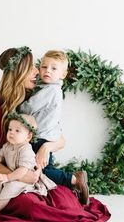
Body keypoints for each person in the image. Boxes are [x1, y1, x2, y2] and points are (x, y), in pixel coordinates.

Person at [0, 46, 110, 222]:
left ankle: (68, 187)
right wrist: (21, 175)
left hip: (33, 170)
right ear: (19, 72)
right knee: (32, 206)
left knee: (65, 202)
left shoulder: (36, 99)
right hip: (3, 175)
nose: (38, 71)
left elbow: (60, 141)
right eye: (32, 68)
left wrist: (45, 148)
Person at [19, 50, 89, 204]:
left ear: (63, 74)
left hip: (41, 138)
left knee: (43, 169)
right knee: (40, 168)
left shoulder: (51, 90)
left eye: (53, 68)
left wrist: (18, 107)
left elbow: (29, 108)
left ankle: (75, 180)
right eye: (44, 67)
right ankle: (72, 188)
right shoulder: (47, 88)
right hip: (44, 135)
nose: (47, 71)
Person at [0, 112, 56, 214]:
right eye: (10, 129)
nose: (12, 133)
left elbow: (22, 171)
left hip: (25, 180)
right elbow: (0, 154)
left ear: (28, 136)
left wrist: (7, 178)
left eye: (17, 131)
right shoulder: (8, 145)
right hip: (13, 174)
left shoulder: (26, 150)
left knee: (11, 186)